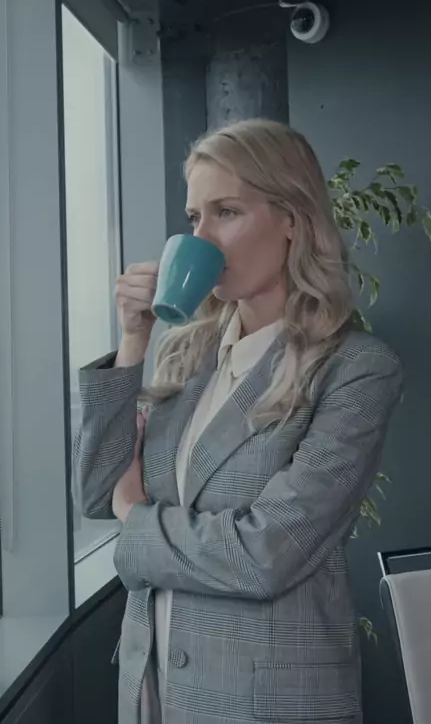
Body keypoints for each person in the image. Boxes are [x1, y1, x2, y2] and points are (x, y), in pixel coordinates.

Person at [73, 118, 402, 724]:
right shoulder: (186, 355)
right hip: (153, 696)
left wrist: (135, 518)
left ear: (291, 220)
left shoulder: (356, 369)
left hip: (266, 708)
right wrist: (134, 339)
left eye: (226, 212)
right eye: (194, 218)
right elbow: (98, 493)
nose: (202, 237)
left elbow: (265, 553)